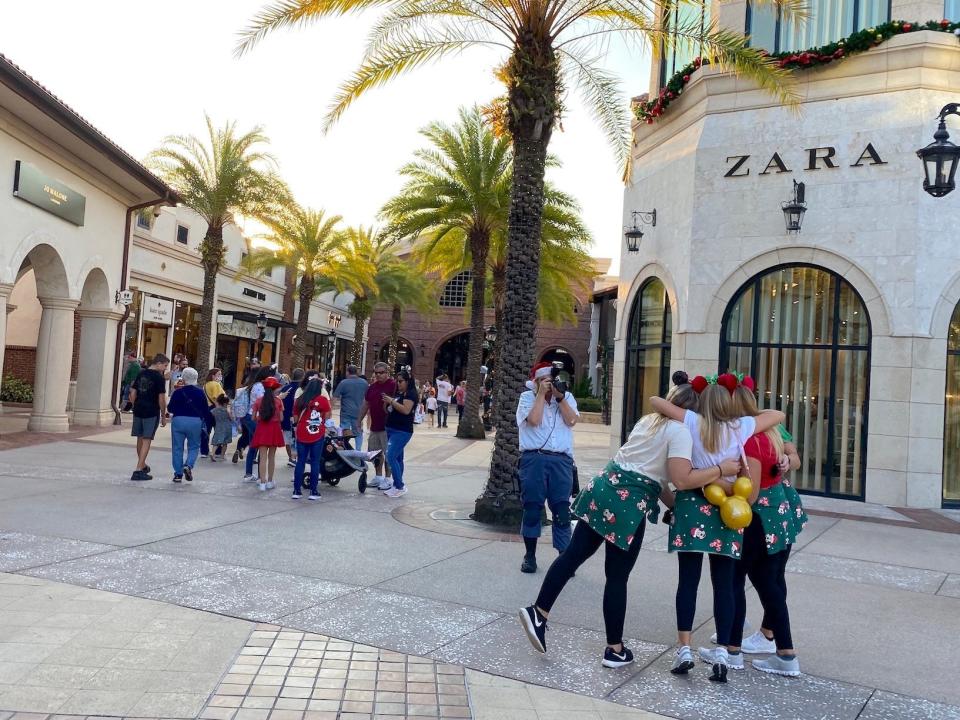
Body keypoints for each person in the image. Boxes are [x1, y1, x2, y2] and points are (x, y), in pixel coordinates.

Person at [518, 372, 741, 669]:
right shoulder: (681, 432)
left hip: (605, 487)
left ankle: (539, 613)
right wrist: (720, 468)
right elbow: (681, 478)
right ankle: (614, 649)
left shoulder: (648, 422)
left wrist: (673, 506)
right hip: (628, 503)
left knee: (573, 556)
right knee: (617, 576)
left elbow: (655, 477)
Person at [650, 373, 784, 683]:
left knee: (688, 581)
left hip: (692, 508)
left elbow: (655, 401)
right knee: (724, 583)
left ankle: (684, 648)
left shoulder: (694, 422)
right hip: (727, 511)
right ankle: (723, 651)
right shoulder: (743, 426)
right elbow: (779, 415)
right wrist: (748, 412)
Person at [716, 378, 803, 676]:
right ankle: (775, 648)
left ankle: (738, 649)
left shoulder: (750, 438)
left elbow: (750, 493)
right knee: (772, 582)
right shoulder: (771, 430)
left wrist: (715, 481)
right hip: (779, 516)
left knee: (742, 580)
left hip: (758, 520)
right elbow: (792, 453)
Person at [517, 362, 580, 574]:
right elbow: (534, 420)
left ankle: (564, 559)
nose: (550, 385)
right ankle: (530, 555)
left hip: (561, 461)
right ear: (535, 382)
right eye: (545, 381)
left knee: (562, 510)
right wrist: (540, 396)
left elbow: (572, 421)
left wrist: (560, 398)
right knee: (533, 509)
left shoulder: (566, 398)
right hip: (534, 459)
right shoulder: (527, 398)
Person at [166, 368, 215, 483]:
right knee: (194, 446)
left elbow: (170, 408)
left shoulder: (178, 392)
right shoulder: (200, 392)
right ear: (196, 378)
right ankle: (188, 465)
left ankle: (178, 474)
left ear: (183, 378)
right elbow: (205, 410)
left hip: (178, 420)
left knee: (177, 447)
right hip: (195, 421)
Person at [129, 353, 169, 481]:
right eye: (165, 365)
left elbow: (133, 393)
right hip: (151, 411)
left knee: (139, 438)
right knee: (147, 439)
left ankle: (142, 465)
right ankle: (138, 469)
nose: (165, 369)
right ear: (158, 363)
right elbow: (161, 398)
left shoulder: (141, 373)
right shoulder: (159, 378)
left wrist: (135, 405)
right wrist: (163, 414)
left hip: (138, 409)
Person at [292, 378, 333, 500]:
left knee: (300, 461)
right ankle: (313, 491)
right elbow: (327, 416)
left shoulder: (300, 400)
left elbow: (295, 418)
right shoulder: (323, 400)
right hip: (317, 433)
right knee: (315, 462)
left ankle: (296, 490)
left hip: (302, 432)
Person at [358, 362, 396, 491]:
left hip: (388, 427)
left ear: (387, 373)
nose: (378, 375)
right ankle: (378, 477)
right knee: (375, 454)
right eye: (376, 373)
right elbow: (366, 404)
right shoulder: (372, 387)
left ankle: (388, 479)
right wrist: (359, 420)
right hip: (375, 426)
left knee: (388, 454)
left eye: (381, 372)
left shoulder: (393, 385)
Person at [382, 369, 418, 497]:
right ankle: (397, 484)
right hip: (392, 428)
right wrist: (388, 403)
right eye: (397, 381)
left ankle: (399, 486)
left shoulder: (411, 394)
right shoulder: (399, 393)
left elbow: (406, 410)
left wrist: (392, 401)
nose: (398, 384)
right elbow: (390, 410)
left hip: (402, 430)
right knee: (398, 457)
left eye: (401, 381)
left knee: (390, 455)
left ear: (408, 381)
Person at [251, 376, 285, 491]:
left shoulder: (259, 400)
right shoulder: (278, 401)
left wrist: (260, 419)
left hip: (262, 429)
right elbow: (281, 418)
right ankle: (270, 481)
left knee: (262, 457)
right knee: (271, 457)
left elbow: (253, 417)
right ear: (275, 388)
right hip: (274, 429)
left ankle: (262, 482)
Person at [242, 367, 273, 481]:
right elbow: (263, 402)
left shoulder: (255, 385)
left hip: (251, 417)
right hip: (256, 418)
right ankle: (261, 475)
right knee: (261, 446)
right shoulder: (260, 386)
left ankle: (249, 473)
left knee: (253, 446)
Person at [334, 364, 369, 450]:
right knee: (358, 432)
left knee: (343, 431)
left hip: (346, 412)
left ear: (347, 372)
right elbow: (367, 398)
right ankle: (358, 451)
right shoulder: (364, 383)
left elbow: (335, 398)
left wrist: (330, 410)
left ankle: (343, 448)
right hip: (359, 413)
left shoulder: (343, 383)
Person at [281, 369, 305, 468]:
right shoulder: (303, 389)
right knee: (299, 439)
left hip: (286, 418)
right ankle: (297, 458)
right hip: (299, 419)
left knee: (288, 439)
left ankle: (291, 458)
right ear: (303, 376)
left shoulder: (285, 388)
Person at [200, 368, 225, 459]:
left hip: (207, 409)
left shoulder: (205, 385)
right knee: (218, 430)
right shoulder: (216, 385)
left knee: (206, 430)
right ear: (213, 376)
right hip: (216, 408)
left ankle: (204, 451)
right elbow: (217, 398)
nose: (220, 376)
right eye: (219, 374)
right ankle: (218, 451)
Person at [210, 394, 234, 462]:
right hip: (227, 428)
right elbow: (232, 419)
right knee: (225, 443)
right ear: (225, 403)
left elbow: (211, 415)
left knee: (217, 441)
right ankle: (222, 456)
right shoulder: (227, 410)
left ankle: (212, 453)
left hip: (218, 427)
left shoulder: (214, 410)